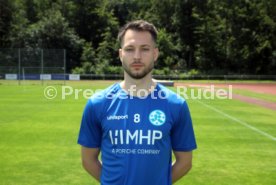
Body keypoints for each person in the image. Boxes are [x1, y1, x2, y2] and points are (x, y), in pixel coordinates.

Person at [77, 20, 197, 185]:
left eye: (145, 49)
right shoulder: (98, 104)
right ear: (121, 54)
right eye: (130, 49)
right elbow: (88, 160)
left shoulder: (176, 105)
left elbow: (185, 162)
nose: (137, 56)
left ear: (155, 53)